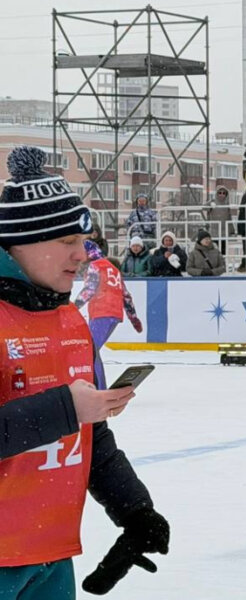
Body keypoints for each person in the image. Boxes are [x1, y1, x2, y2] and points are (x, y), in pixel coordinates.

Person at [0, 146, 168, 598]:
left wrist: (134, 510)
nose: (82, 255)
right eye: (67, 243)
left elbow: (90, 438)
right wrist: (65, 408)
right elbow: (66, 415)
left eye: (83, 241)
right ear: (23, 243)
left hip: (50, 553)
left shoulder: (70, 320)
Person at [74, 240, 143, 386]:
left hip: (101, 312)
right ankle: (99, 386)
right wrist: (134, 319)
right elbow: (126, 296)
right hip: (114, 314)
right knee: (93, 350)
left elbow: (90, 289)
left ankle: (100, 388)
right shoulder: (113, 269)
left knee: (90, 350)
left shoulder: (94, 266)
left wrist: (73, 308)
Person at [203, 187, 233, 257]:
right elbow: (203, 207)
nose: (221, 195)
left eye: (224, 193)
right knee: (213, 252)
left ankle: (222, 264)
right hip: (214, 232)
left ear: (226, 194)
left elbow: (229, 218)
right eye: (220, 193)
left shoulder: (227, 204)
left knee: (223, 253)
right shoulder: (213, 202)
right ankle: (213, 266)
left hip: (223, 232)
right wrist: (210, 204)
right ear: (217, 194)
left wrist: (232, 231)